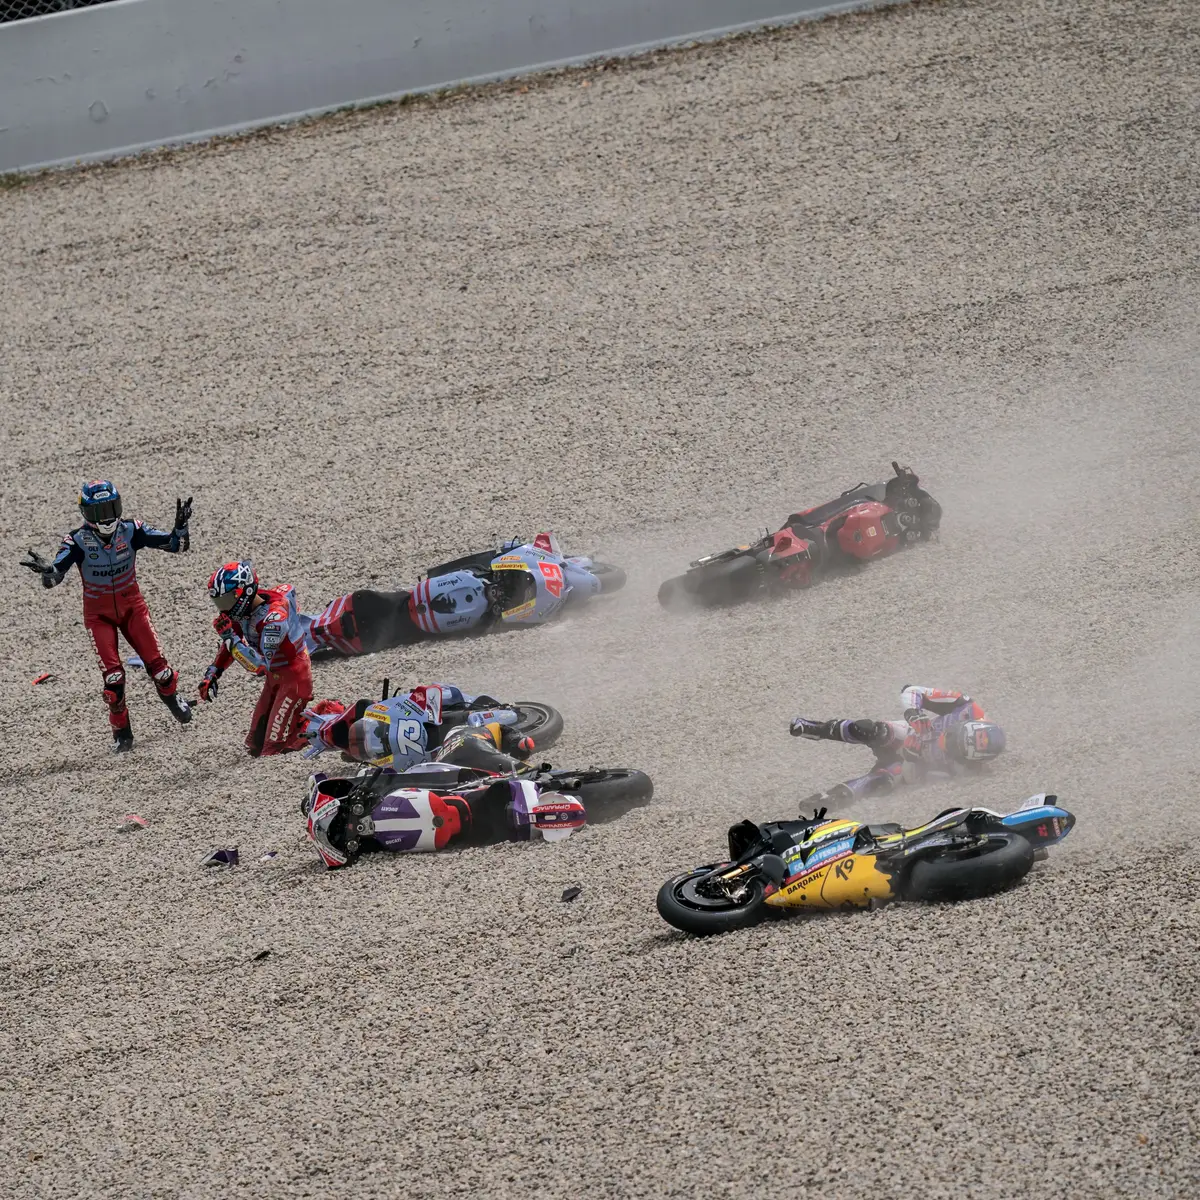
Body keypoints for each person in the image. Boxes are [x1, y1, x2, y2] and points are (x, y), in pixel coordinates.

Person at [20, 481, 193, 752]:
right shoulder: (76, 540)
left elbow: (177, 546)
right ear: (86, 515)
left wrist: (181, 528)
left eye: (111, 508)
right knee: (114, 680)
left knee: (161, 670)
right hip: (98, 616)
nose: (107, 517)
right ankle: (122, 731)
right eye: (99, 512)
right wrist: (47, 570)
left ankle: (172, 699)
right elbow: (54, 578)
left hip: (132, 608)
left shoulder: (132, 530)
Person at [303, 766, 586, 868]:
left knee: (446, 805)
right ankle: (513, 783)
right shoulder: (346, 811)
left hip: (483, 825)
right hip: (481, 817)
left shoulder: (340, 814)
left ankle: (511, 785)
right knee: (439, 803)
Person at [789, 685, 1006, 803]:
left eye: (955, 748)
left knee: (883, 781)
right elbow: (911, 690)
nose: (945, 741)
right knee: (873, 730)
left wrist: (912, 758)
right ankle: (813, 728)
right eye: (953, 734)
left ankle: (829, 800)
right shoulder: (966, 707)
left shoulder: (965, 771)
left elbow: (920, 781)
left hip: (912, 764)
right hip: (907, 733)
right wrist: (914, 714)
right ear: (965, 722)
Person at [198, 561, 313, 757]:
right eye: (220, 603)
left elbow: (259, 666)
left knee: (272, 749)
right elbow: (231, 644)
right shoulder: (242, 610)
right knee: (254, 744)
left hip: (293, 677)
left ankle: (323, 720)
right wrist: (213, 672)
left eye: (226, 601)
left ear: (243, 592)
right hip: (274, 677)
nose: (223, 609)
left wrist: (230, 638)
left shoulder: (274, 619)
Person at [299, 683, 534, 770]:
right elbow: (376, 762)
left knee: (442, 692)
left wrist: (414, 700)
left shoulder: (359, 710)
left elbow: (384, 707)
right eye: (326, 739)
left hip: (413, 722)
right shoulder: (350, 756)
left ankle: (474, 702)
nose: (331, 737)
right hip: (417, 750)